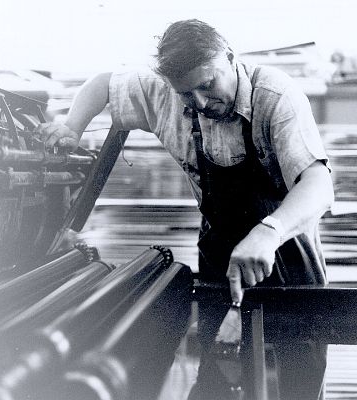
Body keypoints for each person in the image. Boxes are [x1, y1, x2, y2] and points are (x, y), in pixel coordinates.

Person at [36, 19, 334, 305]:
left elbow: (318, 185)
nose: (201, 102)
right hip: (218, 254)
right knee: (219, 350)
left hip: (287, 252)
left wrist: (269, 232)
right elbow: (103, 84)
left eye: (207, 85)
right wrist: (71, 128)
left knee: (295, 351)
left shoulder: (275, 95)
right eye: (185, 94)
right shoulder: (164, 91)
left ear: (229, 57)